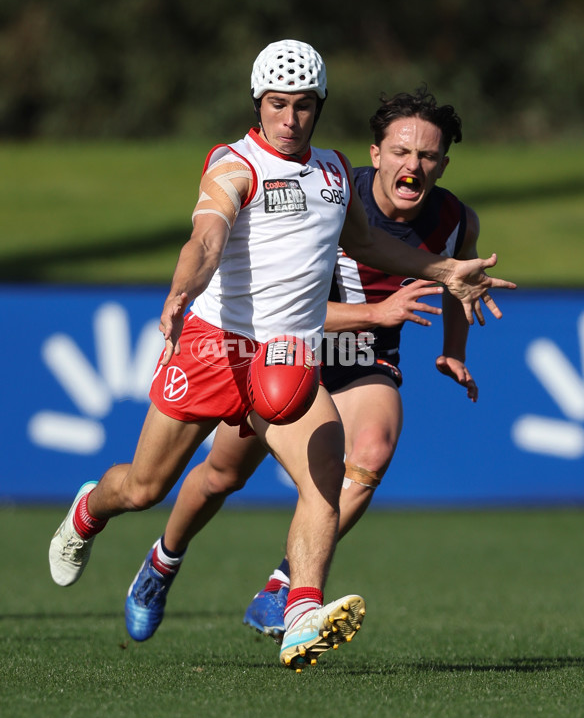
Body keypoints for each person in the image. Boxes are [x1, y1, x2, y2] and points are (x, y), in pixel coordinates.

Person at [49, 41, 514, 671]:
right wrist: (182, 288)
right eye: (277, 105)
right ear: (258, 104)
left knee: (328, 477)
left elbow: (370, 243)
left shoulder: (331, 173)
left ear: (318, 107)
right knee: (144, 487)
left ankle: (298, 612)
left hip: (288, 354)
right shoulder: (233, 165)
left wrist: (444, 270)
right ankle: (88, 511)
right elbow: (206, 236)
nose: (289, 119)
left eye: (302, 106)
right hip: (215, 347)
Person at [122, 86, 486, 646]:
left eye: (429, 156)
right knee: (222, 474)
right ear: (375, 154)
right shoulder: (332, 192)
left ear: (443, 163)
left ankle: (286, 590)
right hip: (283, 349)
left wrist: (454, 349)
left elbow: (455, 284)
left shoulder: (458, 220)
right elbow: (281, 301)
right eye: (401, 152)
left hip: (364, 359)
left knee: (371, 453)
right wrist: (373, 311)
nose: (413, 165)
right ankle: (163, 562)